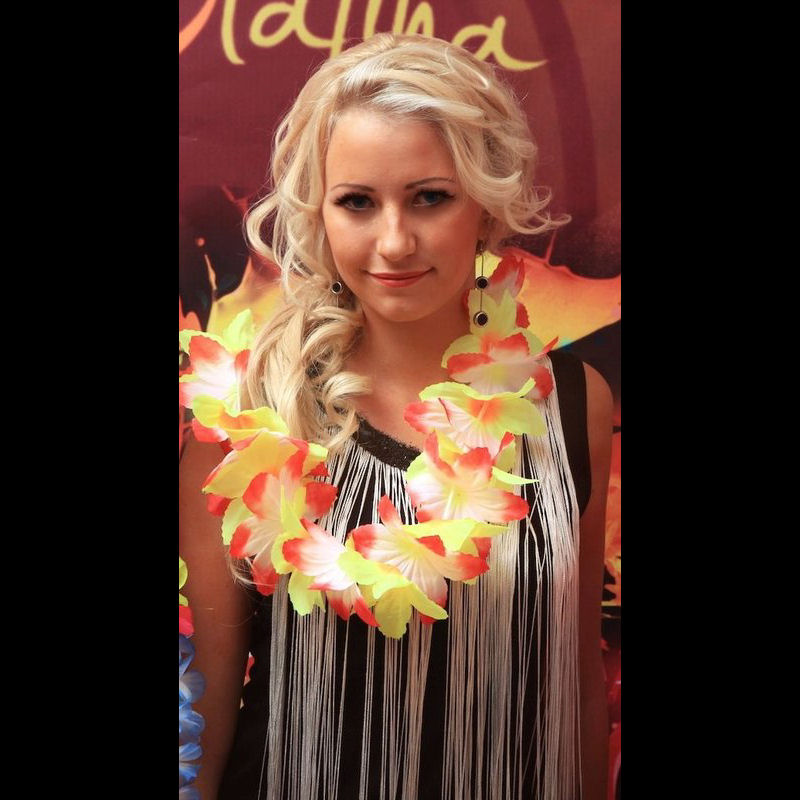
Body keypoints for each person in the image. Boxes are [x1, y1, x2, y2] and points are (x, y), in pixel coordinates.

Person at [179, 32, 613, 800]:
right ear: (319, 214)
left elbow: (572, 686)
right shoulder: (246, 414)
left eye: (430, 197)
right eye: (357, 202)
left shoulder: (571, 404)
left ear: (485, 204)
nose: (394, 241)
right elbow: (206, 706)